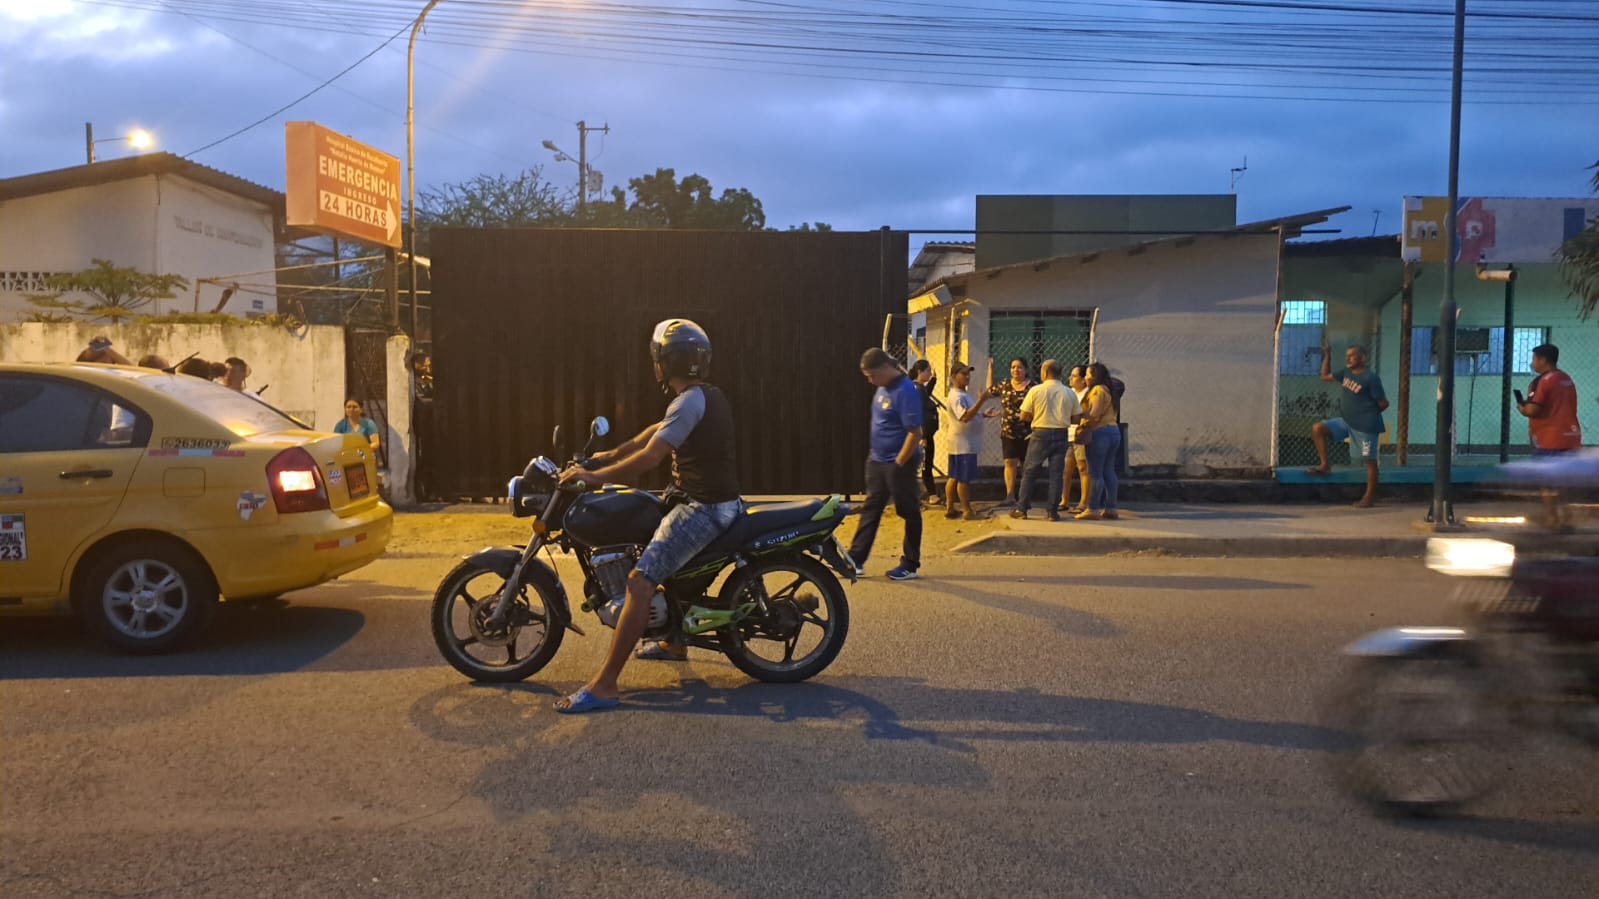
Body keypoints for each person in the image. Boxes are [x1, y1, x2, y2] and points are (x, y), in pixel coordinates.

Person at [553, 319, 741, 713]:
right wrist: (607, 455)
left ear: (666, 362)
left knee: (639, 582)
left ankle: (605, 685)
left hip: (702, 509)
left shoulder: (689, 400)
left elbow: (650, 457)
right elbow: (649, 436)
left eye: (657, 357)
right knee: (646, 542)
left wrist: (592, 477)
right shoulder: (700, 395)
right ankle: (674, 640)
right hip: (700, 500)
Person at [850, 347, 923, 581]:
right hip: (877, 461)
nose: (870, 381)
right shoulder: (883, 387)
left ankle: (910, 564)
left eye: (872, 376)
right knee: (871, 508)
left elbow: (915, 432)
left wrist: (899, 463)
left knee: (908, 511)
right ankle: (855, 559)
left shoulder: (905, 390)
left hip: (898, 463)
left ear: (884, 368)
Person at [1305, 342, 1388, 508]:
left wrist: (1366, 415)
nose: (1349, 359)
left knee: (1369, 460)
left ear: (1363, 357)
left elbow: (1384, 403)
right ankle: (1325, 465)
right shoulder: (1346, 373)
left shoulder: (1370, 378)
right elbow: (1324, 376)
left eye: (1353, 356)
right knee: (1318, 428)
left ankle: (1369, 497)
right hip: (1346, 422)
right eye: (1347, 356)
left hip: (1365, 427)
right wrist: (1327, 354)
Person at [1517, 343, 1581, 529]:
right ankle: (1567, 517)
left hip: (1548, 438)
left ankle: (1553, 518)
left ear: (1543, 360)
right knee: (1565, 480)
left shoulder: (1541, 381)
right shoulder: (1566, 379)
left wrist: (1522, 407)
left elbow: (1533, 409)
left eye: (1534, 359)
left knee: (1548, 482)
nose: (1532, 363)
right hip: (1570, 436)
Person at [1010, 360, 1083, 521]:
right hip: (1061, 433)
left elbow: (1024, 415)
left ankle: (1022, 508)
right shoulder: (1068, 392)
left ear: (1044, 372)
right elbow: (1077, 418)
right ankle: (1052, 511)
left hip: (1040, 433)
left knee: (1030, 471)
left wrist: (1037, 416)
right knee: (1057, 474)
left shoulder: (1036, 390)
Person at [942, 362, 998, 520]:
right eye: (963, 374)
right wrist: (981, 401)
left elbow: (970, 414)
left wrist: (982, 414)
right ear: (954, 376)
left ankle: (950, 507)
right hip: (963, 444)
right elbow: (965, 417)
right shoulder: (957, 396)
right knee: (963, 479)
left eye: (968, 373)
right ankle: (967, 510)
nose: (967, 377)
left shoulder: (961, 394)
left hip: (960, 442)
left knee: (954, 476)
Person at [1076, 362, 1123, 520]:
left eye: (1088, 374)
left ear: (1095, 376)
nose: (1086, 377)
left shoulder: (1097, 390)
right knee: (1109, 470)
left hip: (1099, 433)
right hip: (1113, 431)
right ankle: (1111, 508)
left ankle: (1093, 508)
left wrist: (1079, 415)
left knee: (1095, 473)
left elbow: (1094, 413)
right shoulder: (1110, 390)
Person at [987, 358, 1035, 505]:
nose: (1016, 370)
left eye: (1019, 367)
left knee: (1026, 464)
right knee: (1009, 462)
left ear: (1025, 369)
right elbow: (990, 391)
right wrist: (990, 369)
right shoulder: (1005, 385)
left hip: (1027, 431)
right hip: (1008, 431)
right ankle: (1010, 495)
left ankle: (1025, 497)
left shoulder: (1033, 387)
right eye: (1013, 367)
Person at [1057, 363, 1092, 515]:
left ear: (1084, 380)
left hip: (1081, 434)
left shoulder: (1089, 394)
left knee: (1083, 468)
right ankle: (1064, 500)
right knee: (1066, 470)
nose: (1070, 378)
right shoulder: (1069, 392)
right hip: (1068, 433)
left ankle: (1084, 502)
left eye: (1074, 376)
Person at [909, 359, 944, 504]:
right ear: (920, 372)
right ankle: (930, 494)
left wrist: (934, 380)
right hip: (922, 435)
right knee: (924, 465)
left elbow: (926, 395)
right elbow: (919, 412)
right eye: (928, 371)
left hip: (926, 434)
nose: (930, 373)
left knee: (926, 464)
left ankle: (931, 494)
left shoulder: (920, 388)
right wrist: (922, 435)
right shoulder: (916, 389)